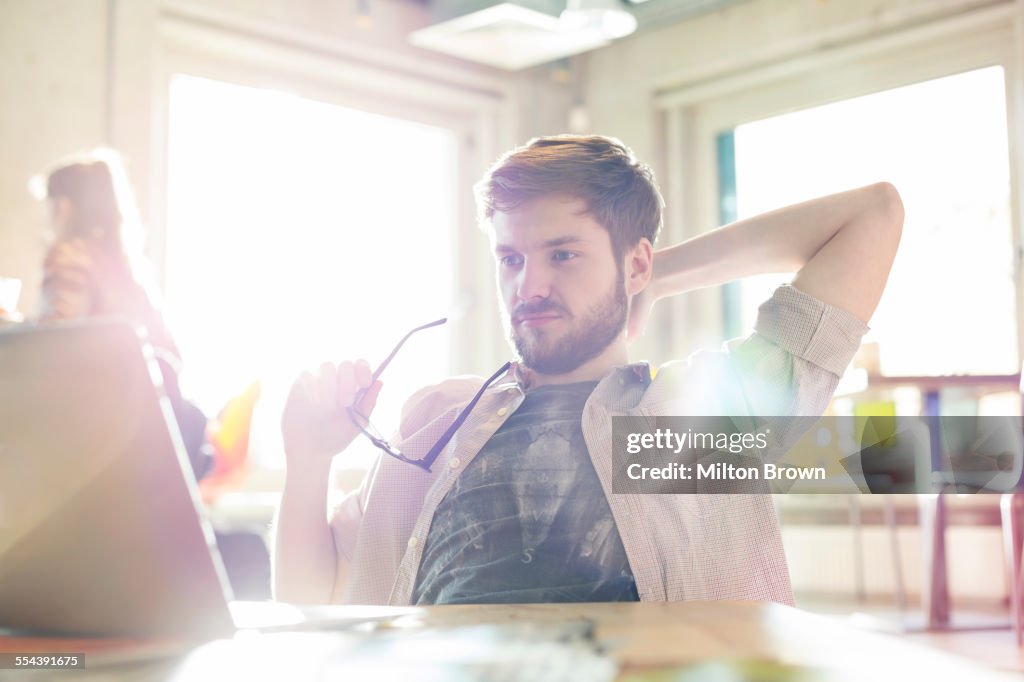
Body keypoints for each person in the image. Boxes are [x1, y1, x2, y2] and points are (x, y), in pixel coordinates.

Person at [274, 135, 903, 606]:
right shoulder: (438, 420)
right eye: (511, 258)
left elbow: (871, 217)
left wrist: (656, 276)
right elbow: (313, 597)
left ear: (634, 265)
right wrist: (307, 458)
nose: (530, 285)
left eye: (564, 254)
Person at [34, 150, 210, 479]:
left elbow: (49, 348)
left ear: (64, 206)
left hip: (90, 436)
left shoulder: (69, 255)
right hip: (146, 443)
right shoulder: (132, 272)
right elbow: (172, 357)